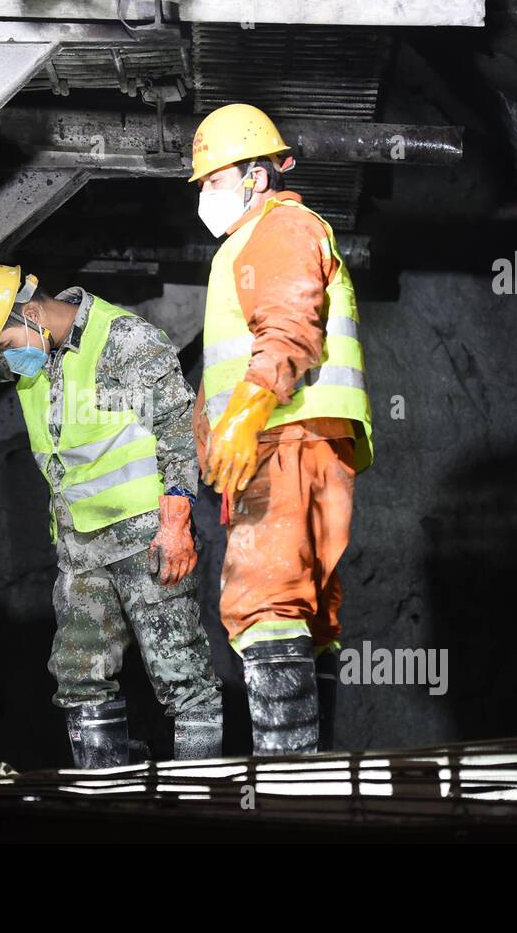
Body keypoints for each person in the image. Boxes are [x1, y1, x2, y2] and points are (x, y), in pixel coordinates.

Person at [0, 264, 222, 767]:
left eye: (7, 343)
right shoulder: (29, 349)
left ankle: (200, 796)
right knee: (79, 675)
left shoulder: (124, 340)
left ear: (31, 311)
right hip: (82, 544)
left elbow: (179, 431)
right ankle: (104, 791)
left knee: (180, 670)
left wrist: (177, 524)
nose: (7, 357)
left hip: (147, 534)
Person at [188, 103, 374, 755]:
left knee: (265, 598)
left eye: (214, 180)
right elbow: (226, 367)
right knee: (304, 609)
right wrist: (211, 433)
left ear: (256, 176)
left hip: (286, 435)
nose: (204, 195)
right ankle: (307, 779)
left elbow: (292, 327)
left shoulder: (279, 229)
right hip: (290, 438)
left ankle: (288, 785)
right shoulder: (254, 242)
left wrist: (244, 416)